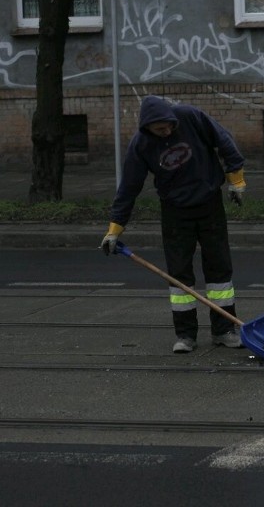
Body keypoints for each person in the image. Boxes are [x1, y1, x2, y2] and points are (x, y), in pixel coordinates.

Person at [100, 95, 247, 354]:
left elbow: (223, 141)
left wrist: (236, 179)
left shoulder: (190, 117)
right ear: (147, 128)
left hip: (209, 204)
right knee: (179, 276)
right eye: (160, 129)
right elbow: (129, 188)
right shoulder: (141, 144)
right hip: (175, 212)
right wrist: (114, 229)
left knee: (219, 269)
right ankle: (186, 335)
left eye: (169, 126)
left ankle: (224, 330)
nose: (167, 131)